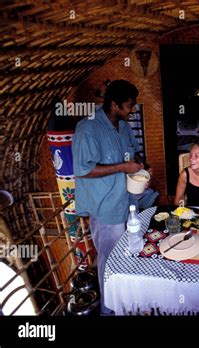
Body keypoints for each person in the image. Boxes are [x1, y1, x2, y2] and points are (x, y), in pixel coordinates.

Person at [72, 80, 157, 314]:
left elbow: (134, 152)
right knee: (110, 260)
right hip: (106, 207)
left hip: (128, 201)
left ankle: (128, 302)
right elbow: (84, 170)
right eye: (129, 106)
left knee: (130, 252)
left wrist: (142, 167)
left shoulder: (123, 126)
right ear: (114, 104)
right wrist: (122, 167)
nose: (132, 110)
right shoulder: (87, 129)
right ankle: (109, 310)